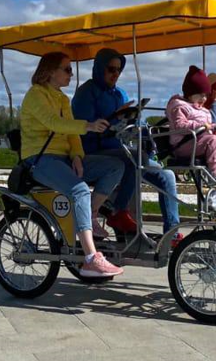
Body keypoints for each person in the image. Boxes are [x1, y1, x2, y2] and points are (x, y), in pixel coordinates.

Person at [21, 51, 125, 277]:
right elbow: (54, 123)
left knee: (115, 166)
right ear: (51, 71)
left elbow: (71, 135)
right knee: (80, 190)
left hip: (64, 158)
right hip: (41, 158)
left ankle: (91, 214)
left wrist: (77, 156)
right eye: (67, 69)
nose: (71, 74)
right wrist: (88, 126)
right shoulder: (36, 94)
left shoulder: (62, 98)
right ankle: (90, 259)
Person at [72, 48, 182, 238]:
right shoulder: (86, 93)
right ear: (99, 68)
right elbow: (84, 128)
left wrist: (141, 127)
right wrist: (115, 118)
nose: (115, 74)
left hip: (121, 150)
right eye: (111, 69)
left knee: (167, 176)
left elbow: (131, 124)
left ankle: (171, 235)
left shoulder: (120, 93)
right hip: (94, 151)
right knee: (135, 159)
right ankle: (118, 211)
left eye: (119, 70)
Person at [165, 66, 216, 181]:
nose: (204, 99)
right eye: (200, 95)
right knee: (213, 140)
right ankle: (214, 171)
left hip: (198, 141)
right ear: (190, 94)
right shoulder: (180, 107)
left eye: (206, 95)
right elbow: (179, 126)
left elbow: (207, 125)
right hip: (182, 144)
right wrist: (201, 126)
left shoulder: (203, 110)